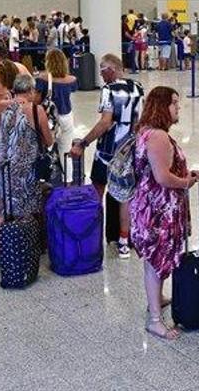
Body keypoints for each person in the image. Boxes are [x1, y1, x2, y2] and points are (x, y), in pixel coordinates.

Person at [129, 86, 199, 341]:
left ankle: (157, 298)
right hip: (157, 213)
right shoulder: (158, 137)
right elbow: (162, 177)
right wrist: (186, 182)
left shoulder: (146, 131)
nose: (178, 108)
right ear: (162, 107)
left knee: (156, 260)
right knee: (155, 261)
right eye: (173, 103)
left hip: (152, 208)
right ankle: (154, 320)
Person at [70, 54, 144, 259]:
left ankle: (92, 238)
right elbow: (139, 121)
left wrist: (83, 143)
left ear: (111, 69)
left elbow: (105, 122)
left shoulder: (108, 90)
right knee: (125, 196)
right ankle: (123, 241)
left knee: (97, 191)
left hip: (107, 151)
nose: (101, 75)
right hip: (128, 150)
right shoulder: (138, 87)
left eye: (102, 70)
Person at [0, 73, 54, 268]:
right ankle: (23, 249)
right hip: (24, 169)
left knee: (2, 208)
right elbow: (49, 140)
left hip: (2, 166)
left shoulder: (1, 105)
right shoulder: (35, 109)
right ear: (31, 90)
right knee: (26, 209)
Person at [35, 49, 77, 165]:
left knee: (45, 150)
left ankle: (46, 178)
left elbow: (36, 101)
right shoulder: (72, 80)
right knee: (66, 152)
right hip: (67, 116)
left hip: (49, 118)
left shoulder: (42, 79)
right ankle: (68, 181)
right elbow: (73, 89)